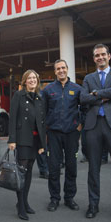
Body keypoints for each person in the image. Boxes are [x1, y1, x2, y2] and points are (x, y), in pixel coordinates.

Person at [80, 44, 111, 222]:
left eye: (103, 54)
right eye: (97, 55)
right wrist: (104, 95)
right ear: (93, 59)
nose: (100, 57)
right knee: (93, 169)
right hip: (94, 126)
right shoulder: (88, 77)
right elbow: (83, 98)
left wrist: (96, 94)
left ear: (109, 56)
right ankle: (93, 205)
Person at [41, 59, 85, 213]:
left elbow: (84, 108)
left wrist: (80, 125)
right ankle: (54, 198)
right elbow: (42, 110)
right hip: (53, 133)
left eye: (63, 68)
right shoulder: (48, 90)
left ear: (67, 69)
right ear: (55, 71)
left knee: (71, 167)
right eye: (58, 68)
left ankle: (69, 198)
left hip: (72, 134)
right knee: (53, 168)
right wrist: (46, 127)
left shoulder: (77, 89)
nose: (61, 71)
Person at [8, 69, 47, 221]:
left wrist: (42, 144)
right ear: (24, 81)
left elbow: (41, 123)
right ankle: (21, 206)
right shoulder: (18, 95)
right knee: (22, 172)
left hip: (35, 141)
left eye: (34, 78)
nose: (32, 80)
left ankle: (24, 202)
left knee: (29, 172)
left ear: (37, 81)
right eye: (29, 78)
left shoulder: (39, 97)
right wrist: (12, 139)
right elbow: (12, 118)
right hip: (23, 140)